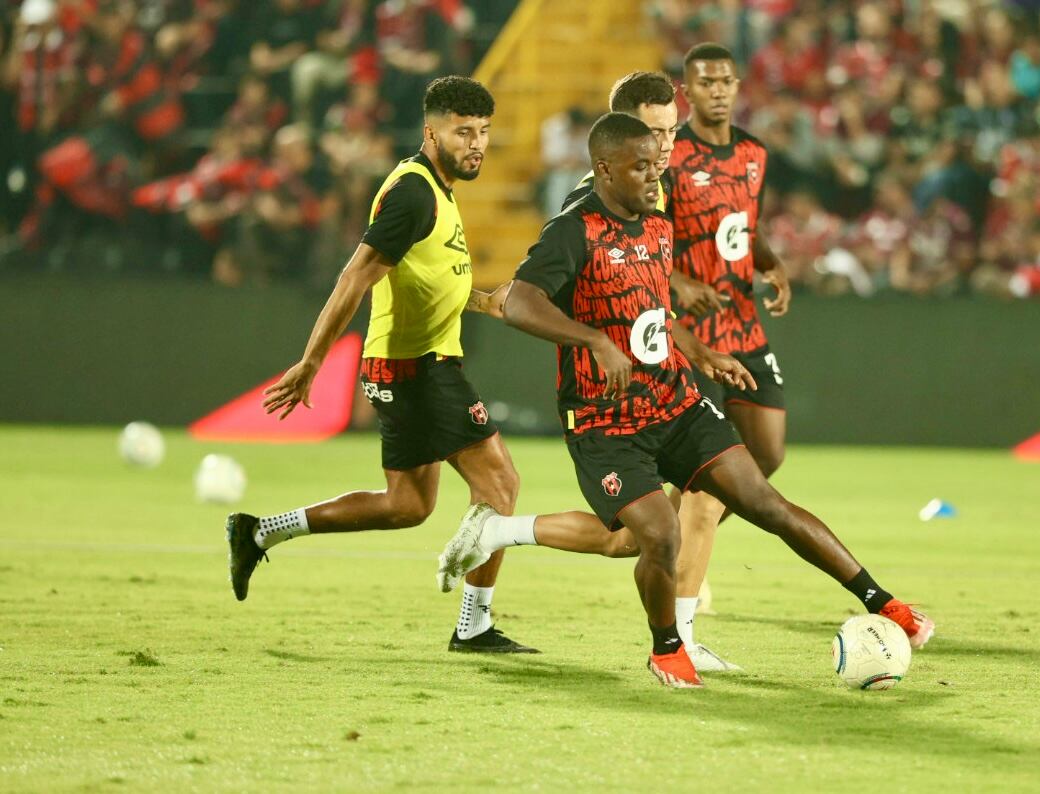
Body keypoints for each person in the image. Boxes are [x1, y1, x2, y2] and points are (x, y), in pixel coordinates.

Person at [439, 112, 934, 688]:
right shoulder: (572, 230)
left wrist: (699, 351)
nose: (655, 177)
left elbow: (654, 312)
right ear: (604, 168)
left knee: (765, 503)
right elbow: (522, 302)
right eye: (641, 166)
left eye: (658, 164)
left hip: (675, 401)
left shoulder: (657, 225)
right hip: (606, 421)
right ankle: (667, 648)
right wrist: (594, 339)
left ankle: (882, 600)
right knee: (656, 535)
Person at [224, 76, 537, 654]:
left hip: (414, 365)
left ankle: (259, 532)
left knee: (406, 506)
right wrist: (311, 361)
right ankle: (473, 625)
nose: (476, 143)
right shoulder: (415, 191)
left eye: (484, 132)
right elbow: (356, 274)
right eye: (463, 131)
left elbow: (428, 275)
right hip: (417, 367)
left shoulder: (438, 191)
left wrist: (482, 299)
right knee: (502, 482)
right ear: (430, 130)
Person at [664, 42, 793, 664]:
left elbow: (746, 221)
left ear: (737, 85)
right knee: (710, 481)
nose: (717, 90)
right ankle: (687, 565)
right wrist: (680, 285)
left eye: (725, 81)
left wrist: (770, 264)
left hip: (744, 323)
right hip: (688, 334)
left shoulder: (753, 153)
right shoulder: (669, 157)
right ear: (687, 91)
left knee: (765, 457)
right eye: (705, 82)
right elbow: (643, 233)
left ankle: (680, 536)